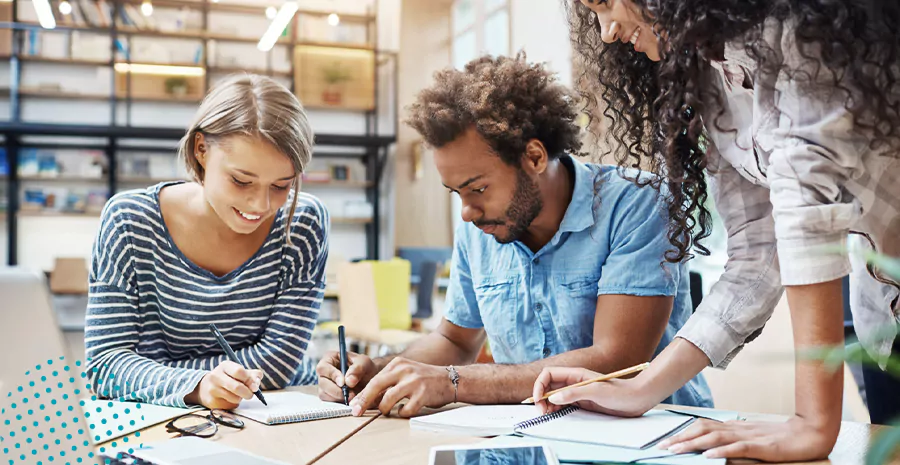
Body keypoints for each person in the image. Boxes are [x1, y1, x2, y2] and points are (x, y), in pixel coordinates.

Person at [533, 0, 900, 461]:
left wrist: (813, 421)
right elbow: (756, 252)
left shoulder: (796, 27)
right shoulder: (707, 74)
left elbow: (806, 210)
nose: (605, 33)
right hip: (884, 317)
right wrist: (640, 387)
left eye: (606, 4)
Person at [316, 54, 713, 418]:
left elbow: (616, 361)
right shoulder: (480, 229)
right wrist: (382, 372)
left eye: (478, 188)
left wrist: (453, 383)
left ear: (535, 157)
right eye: (457, 193)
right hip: (531, 435)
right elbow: (455, 341)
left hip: (651, 437)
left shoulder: (637, 204)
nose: (467, 212)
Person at [85, 74, 328, 409]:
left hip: (279, 411)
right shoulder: (130, 221)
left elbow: (278, 363)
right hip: (165, 424)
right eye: (241, 181)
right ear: (201, 149)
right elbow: (104, 366)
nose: (261, 205)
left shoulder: (302, 222)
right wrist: (197, 386)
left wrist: (156, 375)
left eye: (281, 186)